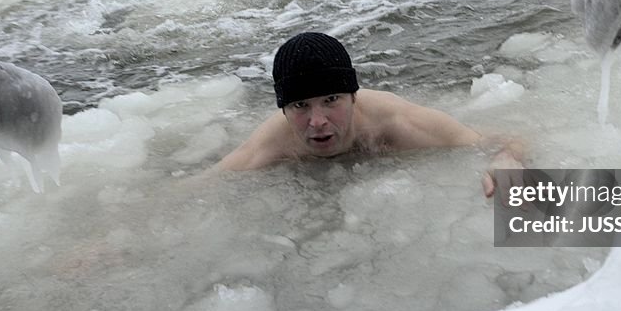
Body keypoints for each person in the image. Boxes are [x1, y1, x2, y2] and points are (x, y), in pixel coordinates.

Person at [218, 32, 524, 197]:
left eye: (331, 99)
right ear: (283, 110)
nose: (317, 120)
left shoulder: (397, 123)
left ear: (353, 96)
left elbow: (507, 140)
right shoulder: (270, 146)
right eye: (300, 106)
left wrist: (506, 159)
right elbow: (195, 189)